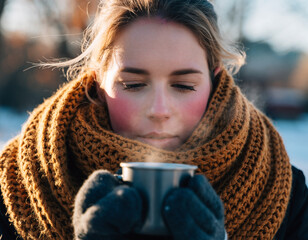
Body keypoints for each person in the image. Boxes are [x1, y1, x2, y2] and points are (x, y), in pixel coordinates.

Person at [0, 0, 307, 239]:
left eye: (184, 86)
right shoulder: (15, 180)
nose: (159, 110)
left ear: (214, 84)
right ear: (97, 84)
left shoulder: (282, 190)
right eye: (133, 84)